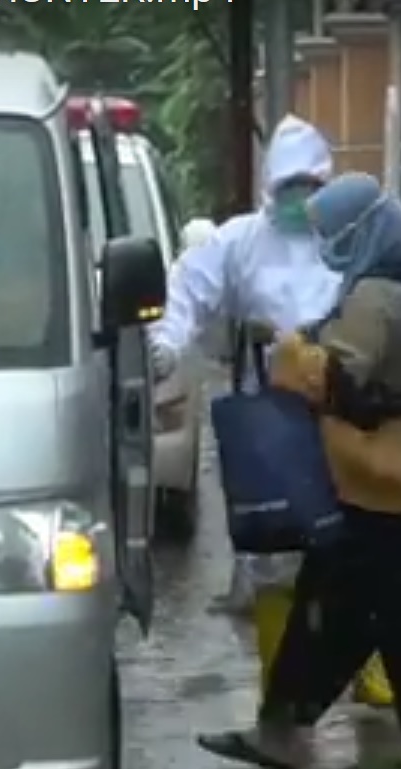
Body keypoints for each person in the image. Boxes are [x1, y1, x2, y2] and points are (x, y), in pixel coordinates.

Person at [196, 172, 401, 769]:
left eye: (334, 231)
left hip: (390, 491)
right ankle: (292, 729)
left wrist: (287, 351)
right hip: (388, 491)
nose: (325, 245)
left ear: (367, 231)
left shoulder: (377, 294)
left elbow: (340, 378)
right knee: (344, 616)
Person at [149, 115, 344, 618]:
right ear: (271, 187)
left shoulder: (347, 236)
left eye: (310, 185)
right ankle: (284, 674)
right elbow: (188, 288)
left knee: (348, 541)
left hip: (345, 404)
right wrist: (166, 342)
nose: (300, 198)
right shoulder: (242, 242)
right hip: (272, 411)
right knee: (273, 541)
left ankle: (358, 656)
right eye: (290, 186)